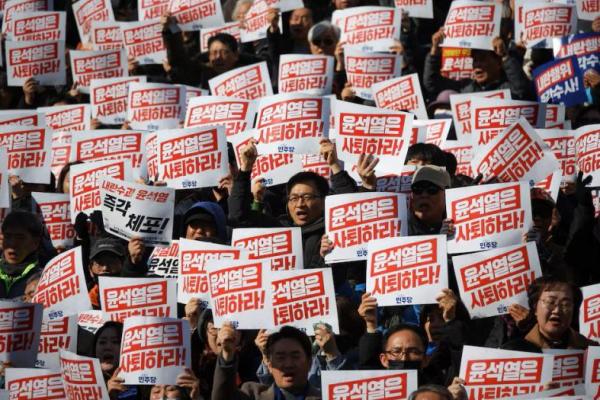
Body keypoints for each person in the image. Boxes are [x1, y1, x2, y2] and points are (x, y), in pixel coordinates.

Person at [212, 325, 321, 400]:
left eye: (295, 356)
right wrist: (227, 355)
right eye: (280, 357)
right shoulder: (252, 394)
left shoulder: (328, 396)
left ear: (309, 362)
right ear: (269, 364)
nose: (288, 364)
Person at [424, 30, 534, 100]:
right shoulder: (466, 87)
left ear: (499, 63)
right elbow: (432, 84)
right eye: (474, 60)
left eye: (482, 59)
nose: (476, 65)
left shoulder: (508, 88)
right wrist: (435, 52)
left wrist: (505, 56)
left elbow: (522, 91)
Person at [502, 276, 598, 352]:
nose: (557, 310)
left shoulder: (592, 350)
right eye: (550, 302)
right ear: (535, 308)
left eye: (566, 304)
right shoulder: (514, 352)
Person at [0, 211, 45, 299]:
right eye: (8, 236)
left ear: (35, 243)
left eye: (20, 238)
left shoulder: (45, 278)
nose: (12, 244)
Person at [409, 165, 452, 236]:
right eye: (417, 190)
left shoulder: (459, 227)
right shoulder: (399, 231)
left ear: (447, 193)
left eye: (432, 190)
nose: (424, 195)